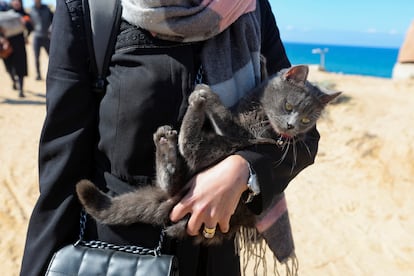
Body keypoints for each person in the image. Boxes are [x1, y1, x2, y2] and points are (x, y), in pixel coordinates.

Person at [20, 0, 320, 275]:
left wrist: (245, 168)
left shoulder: (249, 7)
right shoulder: (89, 7)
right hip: (119, 255)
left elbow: (304, 137)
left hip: (214, 255)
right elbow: (62, 164)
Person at [2, 0, 32, 97]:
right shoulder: (4, 13)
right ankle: (14, 81)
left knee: (20, 67)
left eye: (18, 1)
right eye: (14, 1)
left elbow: (30, 27)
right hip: (7, 43)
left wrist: (26, 35)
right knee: (8, 66)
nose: (16, 3)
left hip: (19, 43)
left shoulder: (24, 14)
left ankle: (21, 90)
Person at [30, 0, 53, 80]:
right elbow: (30, 24)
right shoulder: (31, 10)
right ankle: (38, 75)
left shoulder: (47, 9)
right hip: (37, 37)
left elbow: (53, 20)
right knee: (36, 57)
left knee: (52, 57)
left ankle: (53, 73)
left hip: (47, 37)